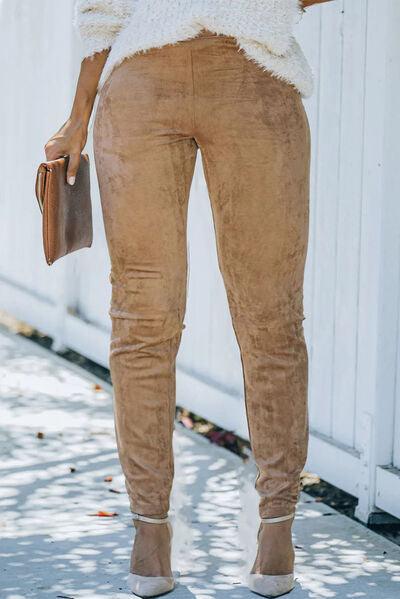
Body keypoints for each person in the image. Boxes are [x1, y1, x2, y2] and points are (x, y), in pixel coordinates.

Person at [45, 0, 334, 596]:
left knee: (269, 317)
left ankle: (274, 527)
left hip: (253, 74)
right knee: (147, 319)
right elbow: (102, 9)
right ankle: (152, 530)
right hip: (146, 82)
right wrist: (78, 116)